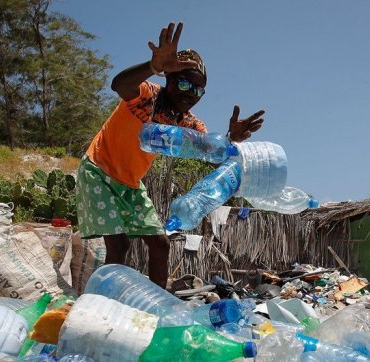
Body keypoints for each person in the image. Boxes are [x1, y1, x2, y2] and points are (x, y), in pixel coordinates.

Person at [77, 22, 265, 288]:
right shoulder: (146, 95)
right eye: (185, 85)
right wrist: (152, 67)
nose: (191, 95)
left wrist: (230, 138)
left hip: (130, 184)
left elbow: (212, 149)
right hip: (99, 171)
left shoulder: (188, 123)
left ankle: (158, 305)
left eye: (198, 90)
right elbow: (119, 84)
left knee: (160, 244)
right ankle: (105, 304)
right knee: (119, 245)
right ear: (168, 79)